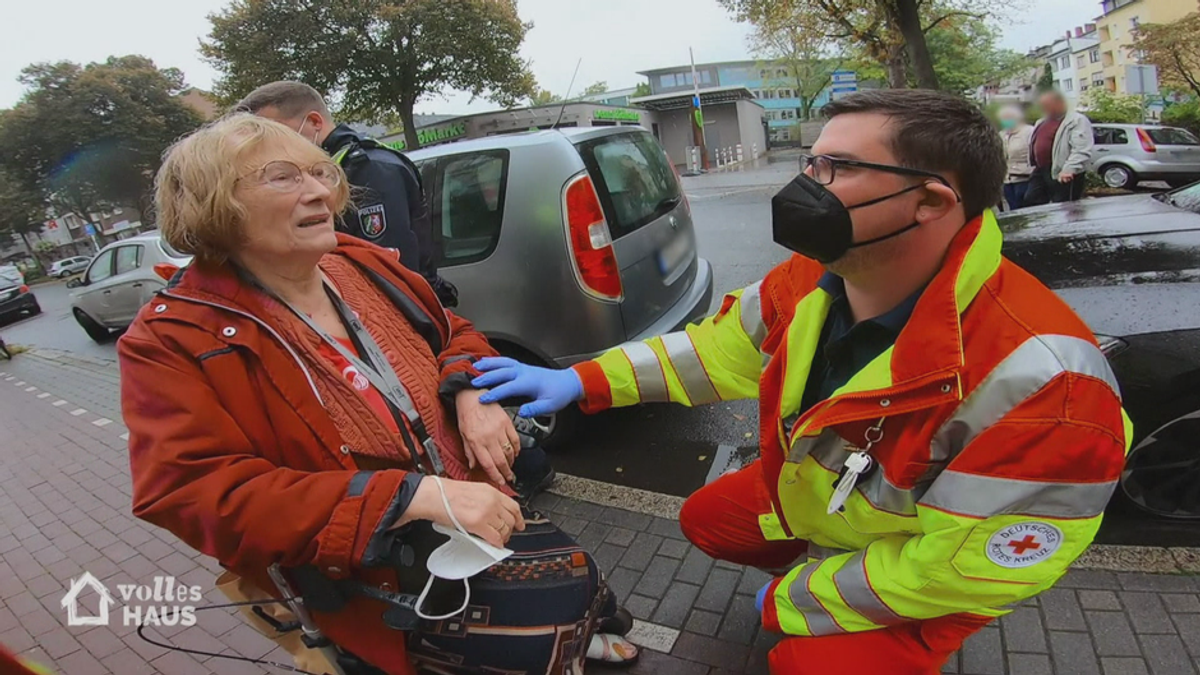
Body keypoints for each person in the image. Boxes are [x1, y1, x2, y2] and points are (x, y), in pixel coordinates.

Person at [470, 89, 1130, 674]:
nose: (806, 185)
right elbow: (717, 352)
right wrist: (580, 380)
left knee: (805, 656)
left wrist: (803, 597)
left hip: (932, 571)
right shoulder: (817, 275)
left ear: (930, 201)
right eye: (811, 162)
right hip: (835, 509)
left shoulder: (1051, 388)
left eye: (837, 168)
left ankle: (894, 637)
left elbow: (965, 568)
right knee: (707, 518)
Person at [118, 114, 636, 674]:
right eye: (282, 177)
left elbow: (453, 333)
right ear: (212, 202)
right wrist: (409, 496)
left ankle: (582, 640)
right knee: (524, 646)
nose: (320, 190)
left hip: (478, 501)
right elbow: (190, 493)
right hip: (376, 572)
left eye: (319, 172)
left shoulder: (356, 262)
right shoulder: (169, 339)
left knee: (577, 577)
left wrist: (470, 393)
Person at [235, 81, 459, 308]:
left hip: (397, 316)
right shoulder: (331, 166)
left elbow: (386, 270)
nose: (271, 143)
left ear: (314, 122)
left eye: (278, 131)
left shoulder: (370, 169)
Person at [1024, 90, 1094, 206]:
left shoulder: (1076, 120)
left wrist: (1069, 169)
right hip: (1042, 169)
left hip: (1063, 170)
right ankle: (1044, 224)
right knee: (1031, 199)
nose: (1043, 109)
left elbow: (1081, 149)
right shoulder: (1041, 121)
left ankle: (1070, 224)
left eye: (1046, 105)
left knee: (1065, 206)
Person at [997, 104, 1034, 210]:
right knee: (1013, 208)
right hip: (1007, 180)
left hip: (1025, 178)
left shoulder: (1029, 132)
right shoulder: (1002, 134)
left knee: (1025, 209)